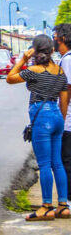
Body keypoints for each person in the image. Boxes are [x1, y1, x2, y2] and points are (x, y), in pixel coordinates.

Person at [6, 35, 70, 221]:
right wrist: (60, 121)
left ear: (35, 51)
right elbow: (64, 100)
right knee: (57, 163)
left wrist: (23, 60)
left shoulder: (33, 70)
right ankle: (63, 206)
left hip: (42, 117)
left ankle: (46, 207)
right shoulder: (60, 71)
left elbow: (10, 78)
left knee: (44, 165)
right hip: (57, 117)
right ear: (52, 50)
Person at [53, 24, 71, 175]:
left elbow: (66, 91)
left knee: (66, 161)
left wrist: (61, 120)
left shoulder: (68, 60)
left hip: (68, 122)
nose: (54, 41)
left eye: (55, 37)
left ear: (63, 38)